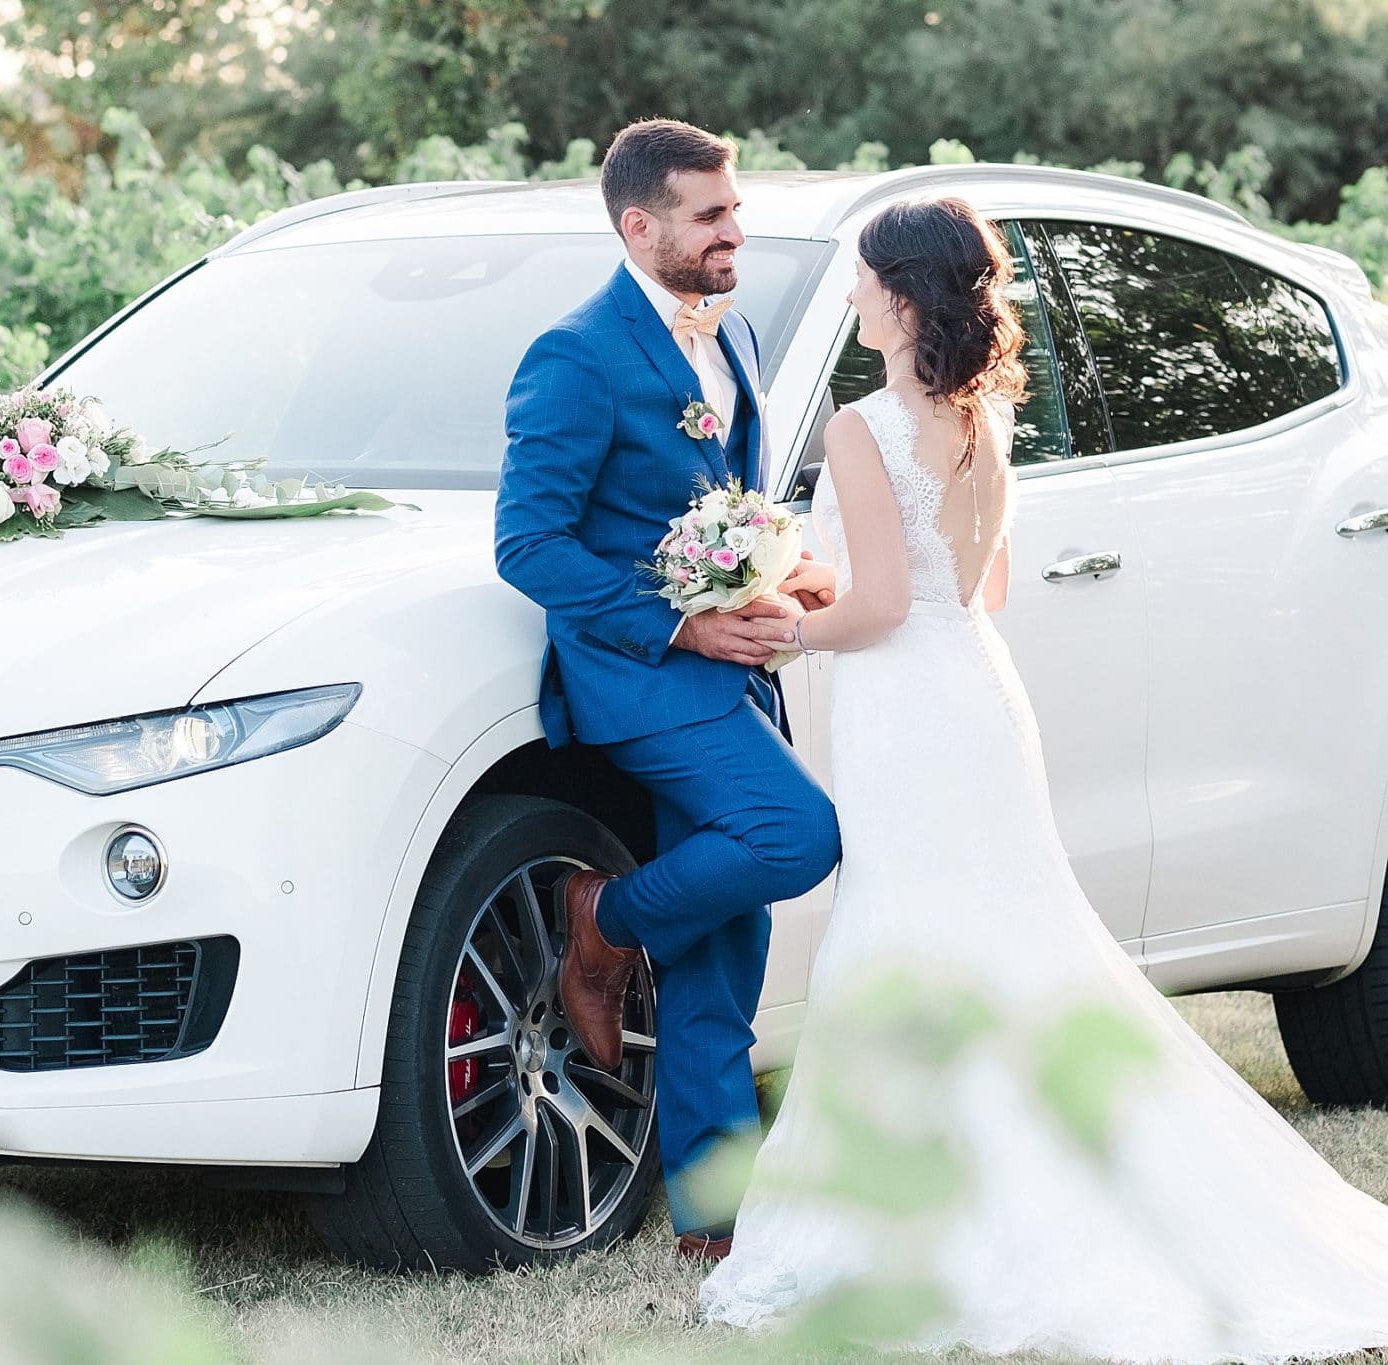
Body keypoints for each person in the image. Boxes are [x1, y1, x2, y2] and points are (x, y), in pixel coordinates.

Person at [697, 195, 1388, 1361]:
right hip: (975, 690)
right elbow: (977, 590)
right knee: (1007, 939)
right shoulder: (984, 416)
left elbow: (875, 609)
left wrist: (774, 626)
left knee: (910, 940)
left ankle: (919, 1217)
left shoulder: (865, 428)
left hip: (909, 711)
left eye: (865, 280)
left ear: (903, 294)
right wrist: (832, 589)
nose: (857, 296)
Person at [494, 117, 842, 1258]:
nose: (734, 231)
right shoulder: (573, 354)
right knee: (795, 834)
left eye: (733, 208)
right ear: (639, 225)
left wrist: (777, 584)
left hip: (729, 670)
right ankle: (599, 920)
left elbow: (718, 504)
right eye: (711, 214)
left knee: (723, 948)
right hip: (641, 677)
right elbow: (528, 546)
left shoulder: (727, 334)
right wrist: (684, 626)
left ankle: (711, 1216)